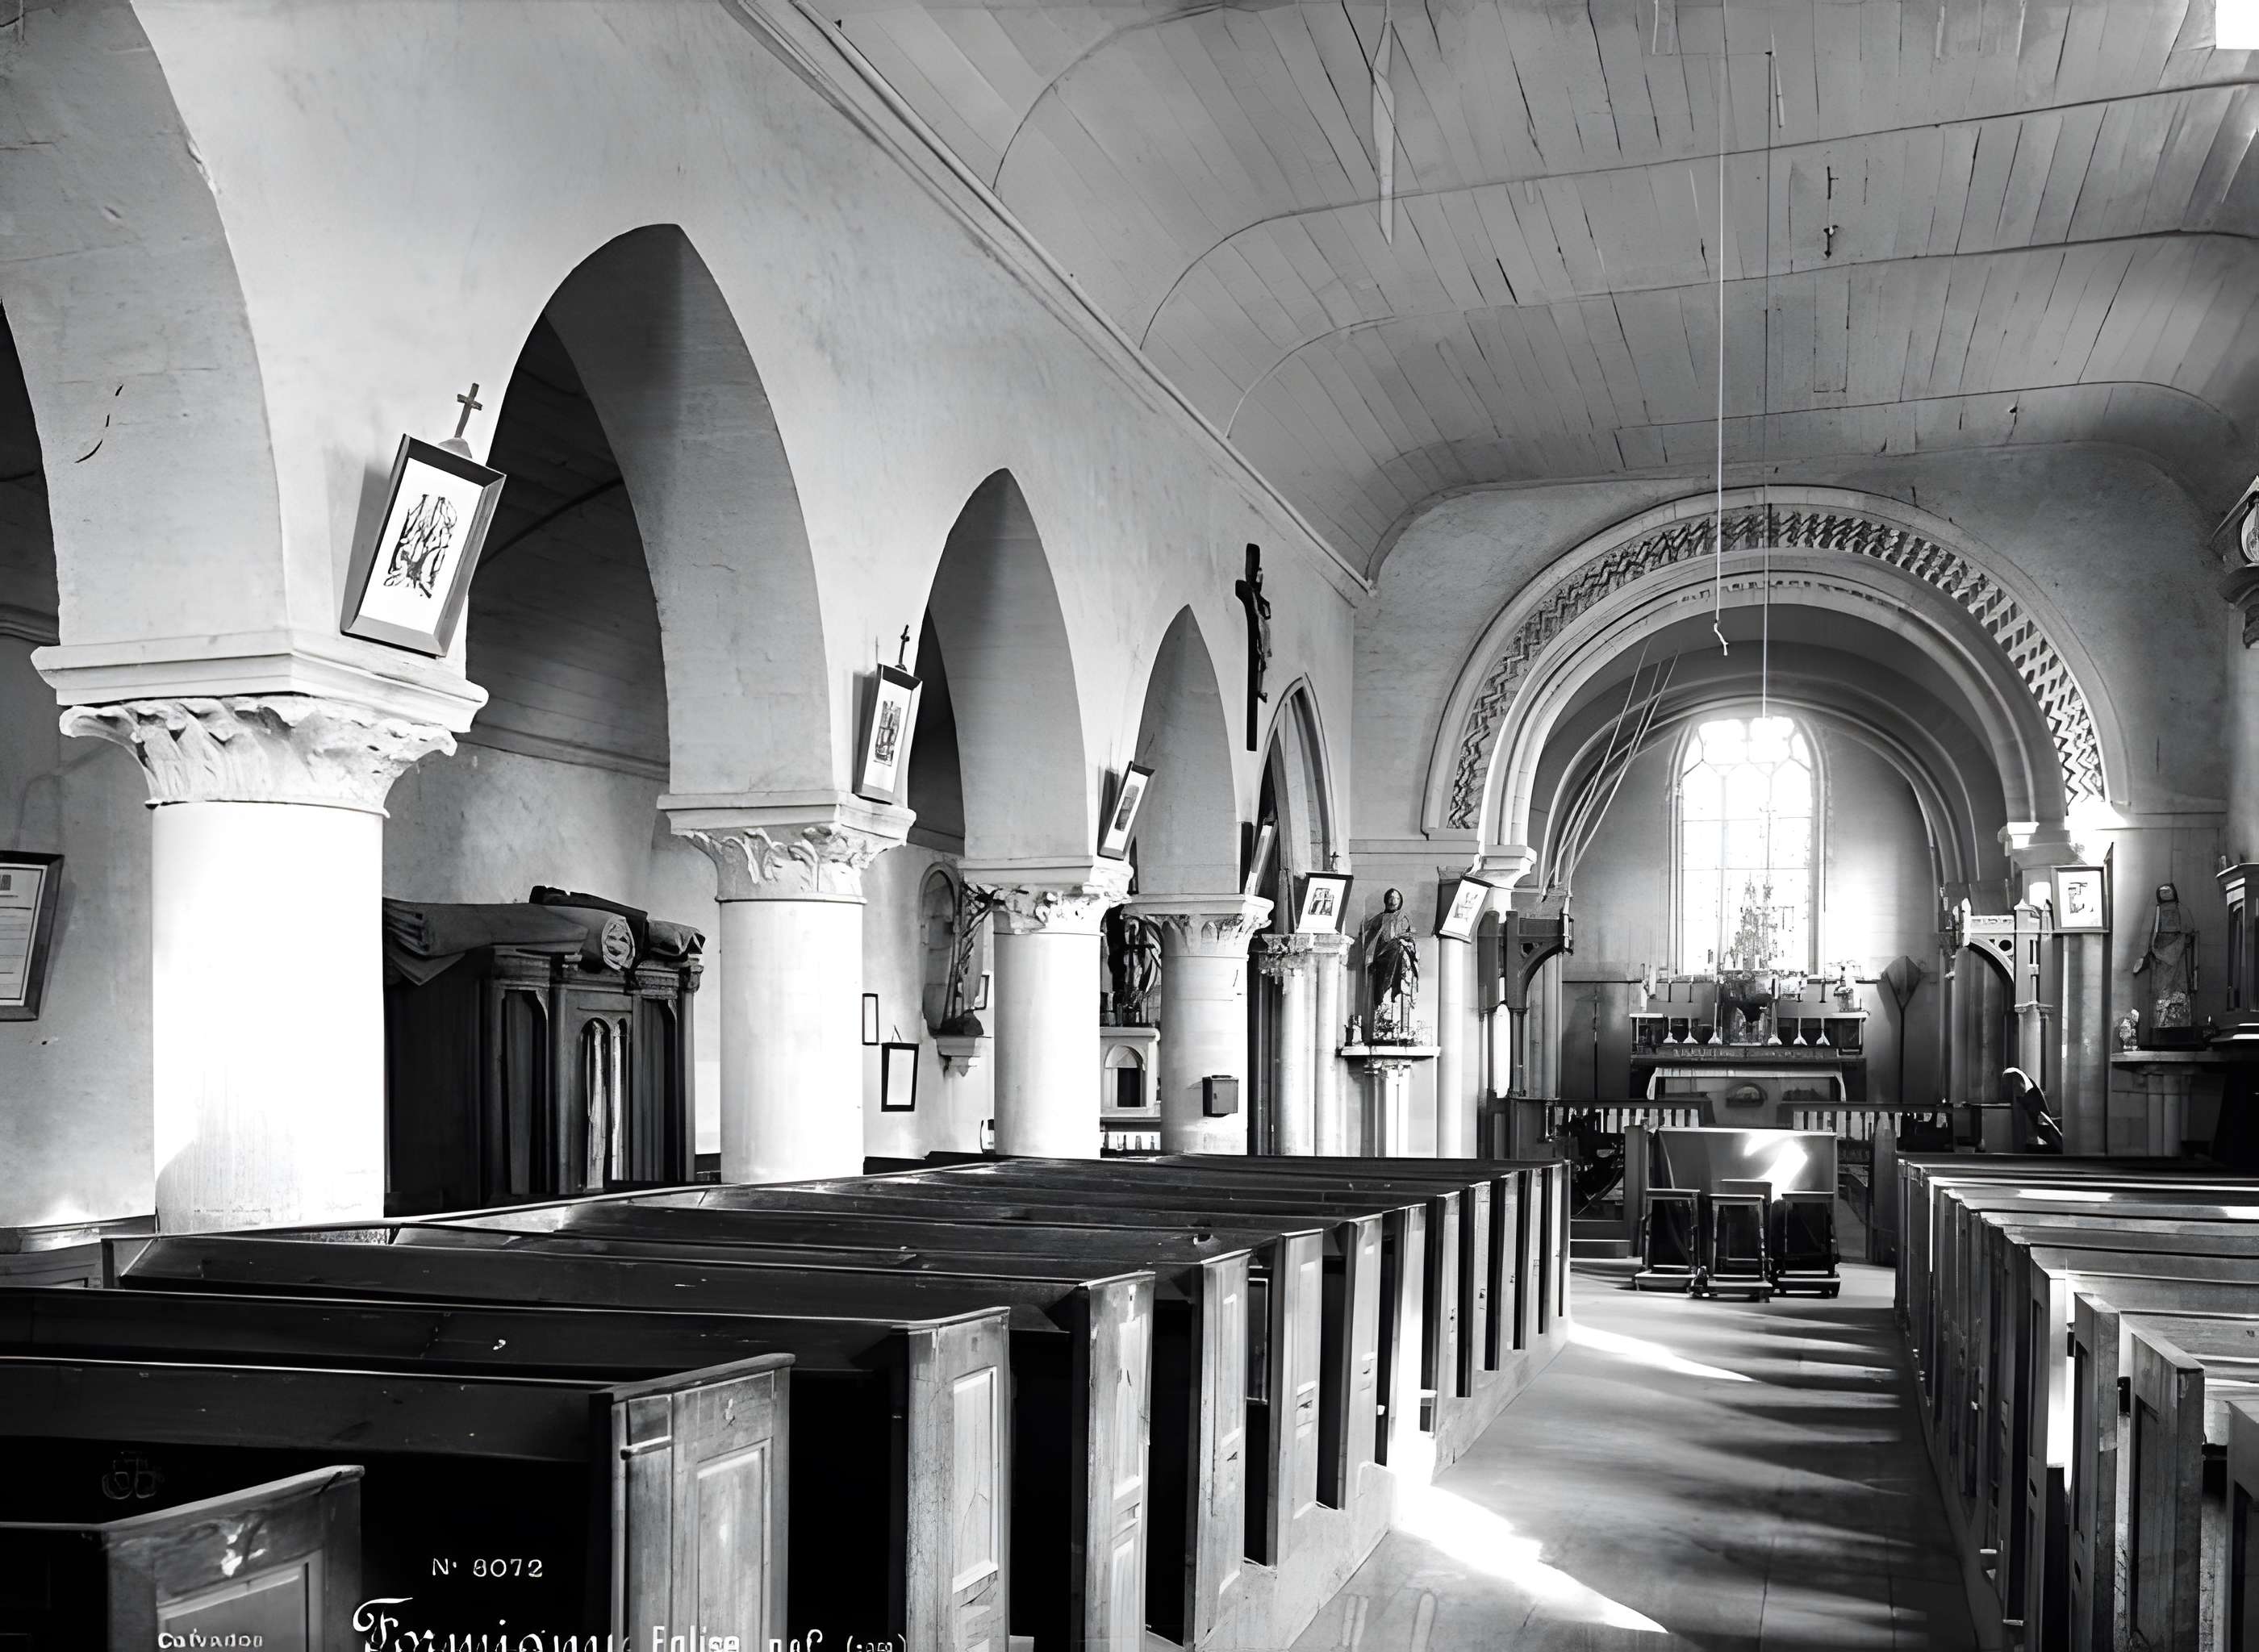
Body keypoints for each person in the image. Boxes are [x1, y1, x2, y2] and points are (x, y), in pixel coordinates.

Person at [1362, 887, 1420, 1036]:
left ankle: (1394, 992)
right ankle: (1381, 1009)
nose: (1393, 900)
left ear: (1400, 901)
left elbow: (1410, 937)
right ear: (1386, 900)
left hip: (1398, 952)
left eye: (1397, 898)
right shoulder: (1379, 918)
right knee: (1379, 986)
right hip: (1381, 956)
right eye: (1391, 897)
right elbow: (1366, 931)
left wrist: (1404, 941)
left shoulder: (1403, 917)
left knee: (1399, 948)